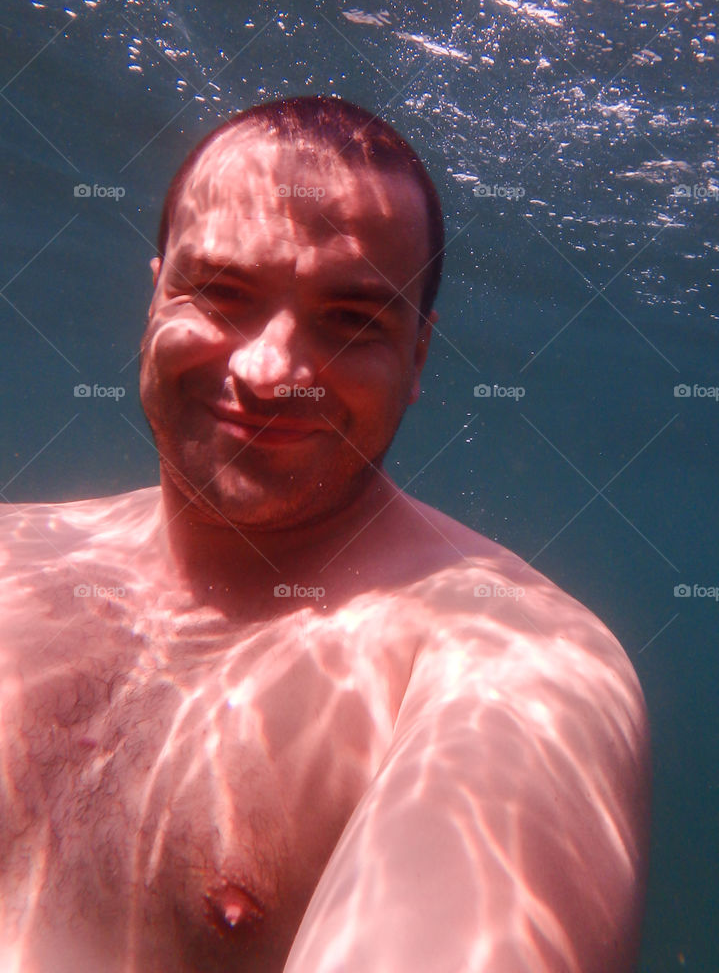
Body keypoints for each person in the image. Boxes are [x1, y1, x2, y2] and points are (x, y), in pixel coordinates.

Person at [0, 95, 651, 973]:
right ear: (154, 295)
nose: (271, 373)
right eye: (222, 291)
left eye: (350, 319)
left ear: (417, 358)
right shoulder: (15, 552)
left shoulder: (512, 662)